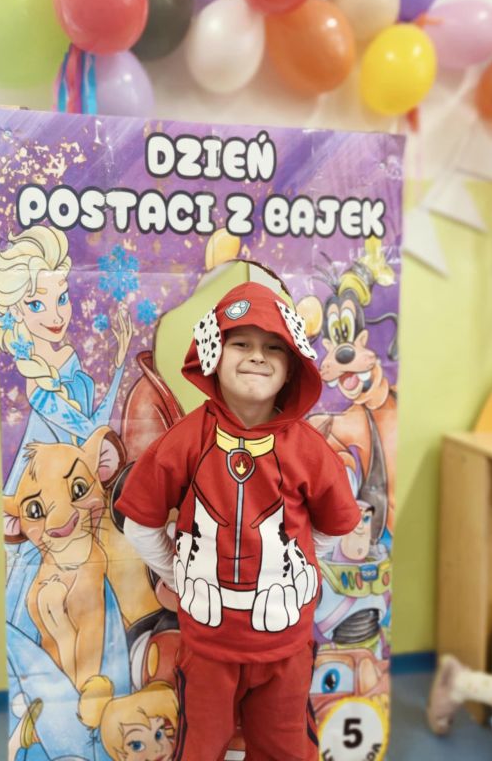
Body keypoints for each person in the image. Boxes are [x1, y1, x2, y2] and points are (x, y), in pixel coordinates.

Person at [116, 281, 361, 761]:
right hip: (207, 649)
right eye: (241, 343)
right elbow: (140, 521)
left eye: (274, 347)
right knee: (200, 748)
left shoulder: (309, 450)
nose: (257, 357)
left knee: (286, 749)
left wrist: (300, 572)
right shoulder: (186, 440)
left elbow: (335, 526)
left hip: (285, 648)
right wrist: (178, 575)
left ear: (292, 366)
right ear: (213, 352)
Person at [0, 225, 131, 494]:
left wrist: (119, 365)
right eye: (36, 304)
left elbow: (93, 425)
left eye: (62, 298)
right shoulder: (37, 386)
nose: (56, 316)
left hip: (75, 485)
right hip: (42, 497)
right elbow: (91, 432)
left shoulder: (68, 356)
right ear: (16, 310)